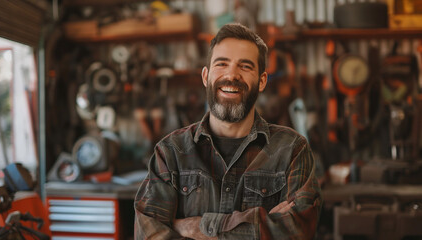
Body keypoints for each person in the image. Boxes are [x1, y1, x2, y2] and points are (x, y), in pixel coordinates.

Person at [134, 23, 322, 240]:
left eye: (245, 66)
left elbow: (298, 231)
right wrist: (262, 228)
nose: (232, 75)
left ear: (261, 81)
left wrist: (197, 228)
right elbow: (148, 234)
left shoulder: (291, 150)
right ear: (206, 77)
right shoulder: (170, 153)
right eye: (222, 64)